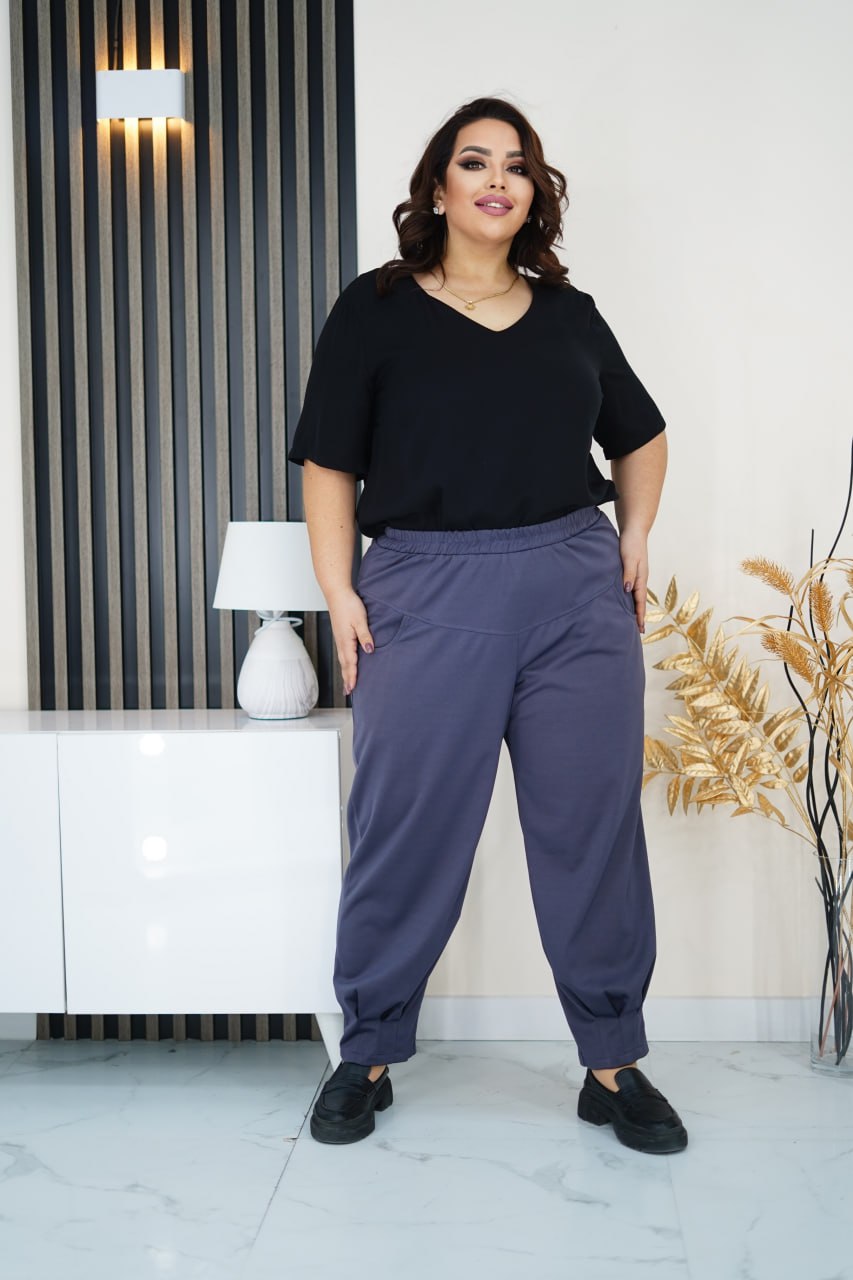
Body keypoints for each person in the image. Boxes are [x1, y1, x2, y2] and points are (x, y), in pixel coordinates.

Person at [287, 96, 687, 1156]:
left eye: (516, 164)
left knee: (591, 828)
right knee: (407, 829)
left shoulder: (568, 314)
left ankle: (612, 1061)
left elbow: (641, 435)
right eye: (474, 161)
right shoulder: (374, 309)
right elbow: (329, 463)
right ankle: (367, 1050)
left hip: (573, 589)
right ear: (438, 188)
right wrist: (340, 592)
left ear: (533, 193)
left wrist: (633, 534)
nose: (497, 179)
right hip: (424, 589)